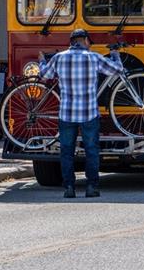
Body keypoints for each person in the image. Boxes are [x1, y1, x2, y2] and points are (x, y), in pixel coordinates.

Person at [39, 29, 125, 198]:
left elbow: (44, 75)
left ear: (71, 41)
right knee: (91, 150)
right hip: (89, 113)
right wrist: (115, 55)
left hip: (66, 113)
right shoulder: (93, 57)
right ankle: (91, 187)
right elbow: (118, 70)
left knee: (67, 151)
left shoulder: (59, 58)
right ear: (85, 40)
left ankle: (69, 188)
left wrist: (41, 61)